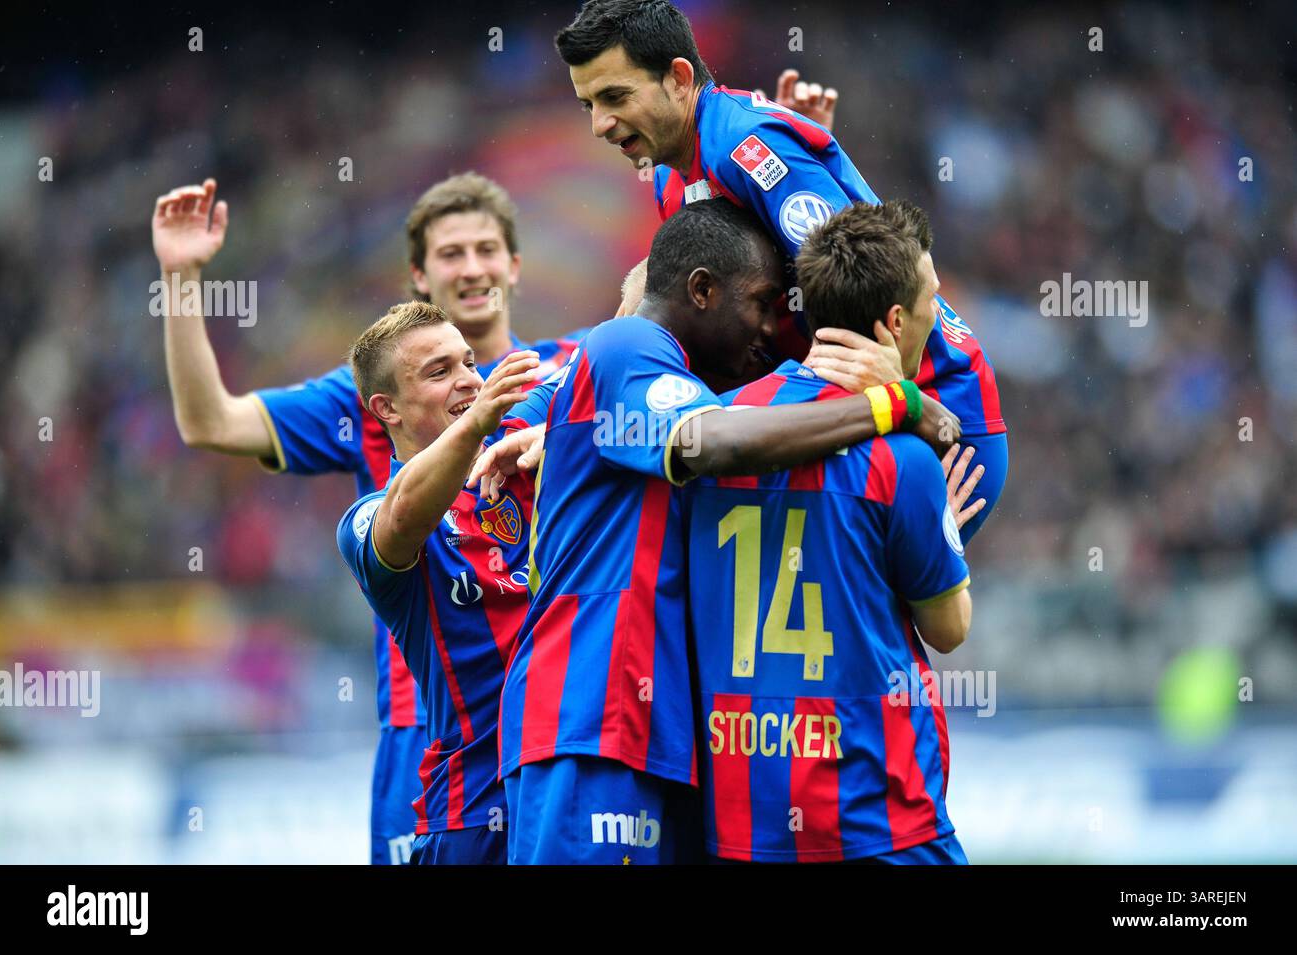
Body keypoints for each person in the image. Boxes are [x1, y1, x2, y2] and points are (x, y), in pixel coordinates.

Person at [496, 198, 960, 864]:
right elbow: (713, 442)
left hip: (665, 736)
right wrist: (898, 404)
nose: (772, 328)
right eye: (763, 303)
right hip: (591, 719)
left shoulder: (679, 382)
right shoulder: (629, 344)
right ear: (703, 290)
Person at [150, 171, 578, 864]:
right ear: (418, 274)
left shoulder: (568, 374)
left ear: (515, 264)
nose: (471, 267)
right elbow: (208, 422)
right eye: (450, 253)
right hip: (428, 717)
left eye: (485, 249)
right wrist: (181, 276)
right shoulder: (363, 397)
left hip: (559, 703)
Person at [554, 0, 1006, 541]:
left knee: (700, 444)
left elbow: (862, 279)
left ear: (678, 78)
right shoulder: (667, 175)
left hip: (937, 410)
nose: (601, 124)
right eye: (588, 105)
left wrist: (901, 399)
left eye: (615, 97)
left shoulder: (748, 147)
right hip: (852, 405)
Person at [690, 199, 976, 864]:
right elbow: (948, 627)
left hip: (740, 819)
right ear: (898, 320)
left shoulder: (720, 427)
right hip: (873, 814)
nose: (939, 318)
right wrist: (946, 531)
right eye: (934, 301)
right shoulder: (903, 458)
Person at [337, 302, 540, 864]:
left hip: (569, 789)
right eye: (439, 371)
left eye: (469, 362)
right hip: (476, 811)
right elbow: (401, 517)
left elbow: (636, 322)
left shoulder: (524, 453)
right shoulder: (369, 521)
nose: (469, 380)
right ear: (387, 408)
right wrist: (477, 421)